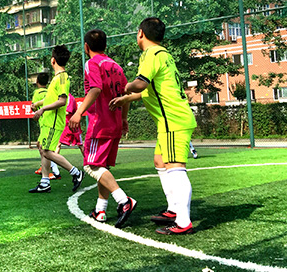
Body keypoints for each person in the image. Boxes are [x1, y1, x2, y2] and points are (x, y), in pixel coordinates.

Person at [110, 18, 197, 235]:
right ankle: (173, 209)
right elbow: (150, 91)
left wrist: (125, 88)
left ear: (141, 33)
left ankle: (183, 222)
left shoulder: (151, 54)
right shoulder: (163, 54)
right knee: (160, 161)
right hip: (169, 121)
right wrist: (127, 99)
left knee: (175, 167)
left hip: (173, 121)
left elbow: (140, 84)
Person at [69, 29, 136, 228]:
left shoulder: (92, 63)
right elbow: (126, 95)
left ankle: (124, 200)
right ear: (106, 45)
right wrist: (124, 119)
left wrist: (78, 112)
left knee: (91, 166)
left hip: (99, 124)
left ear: (86, 47)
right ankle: (100, 210)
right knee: (103, 167)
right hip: (115, 123)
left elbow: (96, 89)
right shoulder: (116, 66)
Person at [29, 45, 84, 194]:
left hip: (53, 122)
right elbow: (50, 98)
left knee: (46, 151)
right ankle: (45, 182)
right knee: (42, 147)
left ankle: (76, 173)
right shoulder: (57, 78)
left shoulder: (62, 78)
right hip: (48, 121)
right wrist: (38, 105)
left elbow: (62, 101)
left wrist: (42, 109)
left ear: (53, 60)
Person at [31, 72, 60, 179]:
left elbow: (33, 108)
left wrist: (35, 107)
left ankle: (55, 171)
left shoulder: (36, 93)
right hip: (51, 121)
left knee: (46, 150)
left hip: (45, 123)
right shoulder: (49, 92)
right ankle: (44, 168)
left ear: (37, 81)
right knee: (41, 146)